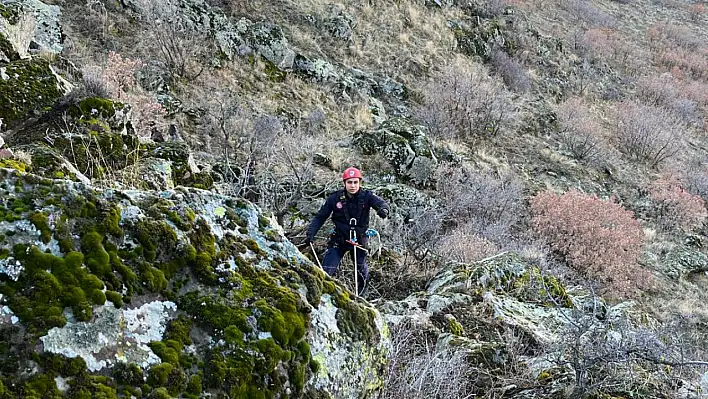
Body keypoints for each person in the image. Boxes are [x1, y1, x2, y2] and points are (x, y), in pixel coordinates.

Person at [306, 167, 390, 295]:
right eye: (349, 182)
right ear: (344, 183)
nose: (353, 185)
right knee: (327, 270)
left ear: (360, 183)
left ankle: (362, 296)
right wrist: (311, 233)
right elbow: (321, 216)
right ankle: (323, 294)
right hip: (339, 238)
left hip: (359, 239)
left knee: (361, 269)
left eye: (355, 182)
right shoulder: (335, 198)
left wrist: (383, 210)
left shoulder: (367, 196)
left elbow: (382, 204)